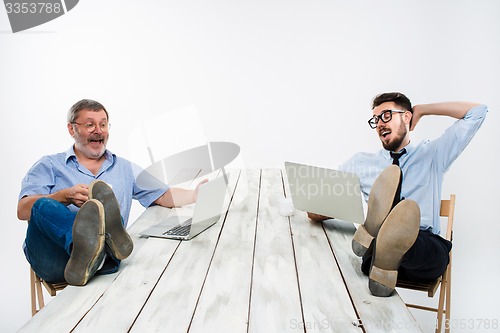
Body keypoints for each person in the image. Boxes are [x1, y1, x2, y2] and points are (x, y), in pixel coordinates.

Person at [308, 92, 487, 296]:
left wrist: (424, 109)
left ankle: (383, 234)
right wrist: (327, 209)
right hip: (376, 255)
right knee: (377, 244)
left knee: (424, 249)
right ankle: (374, 233)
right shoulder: (361, 162)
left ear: (407, 117)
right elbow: (315, 208)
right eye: (375, 120)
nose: (379, 124)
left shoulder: (433, 154)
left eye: (386, 115)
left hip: (420, 251)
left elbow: (477, 112)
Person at [17, 99, 206, 286]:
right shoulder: (50, 165)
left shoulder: (124, 167)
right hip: (56, 259)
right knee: (42, 205)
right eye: (90, 125)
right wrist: (64, 196)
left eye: (103, 124)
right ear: (71, 129)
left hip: (105, 263)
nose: (98, 130)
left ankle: (101, 253)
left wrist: (193, 195)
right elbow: (23, 210)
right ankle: (88, 249)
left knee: (106, 218)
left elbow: (162, 194)